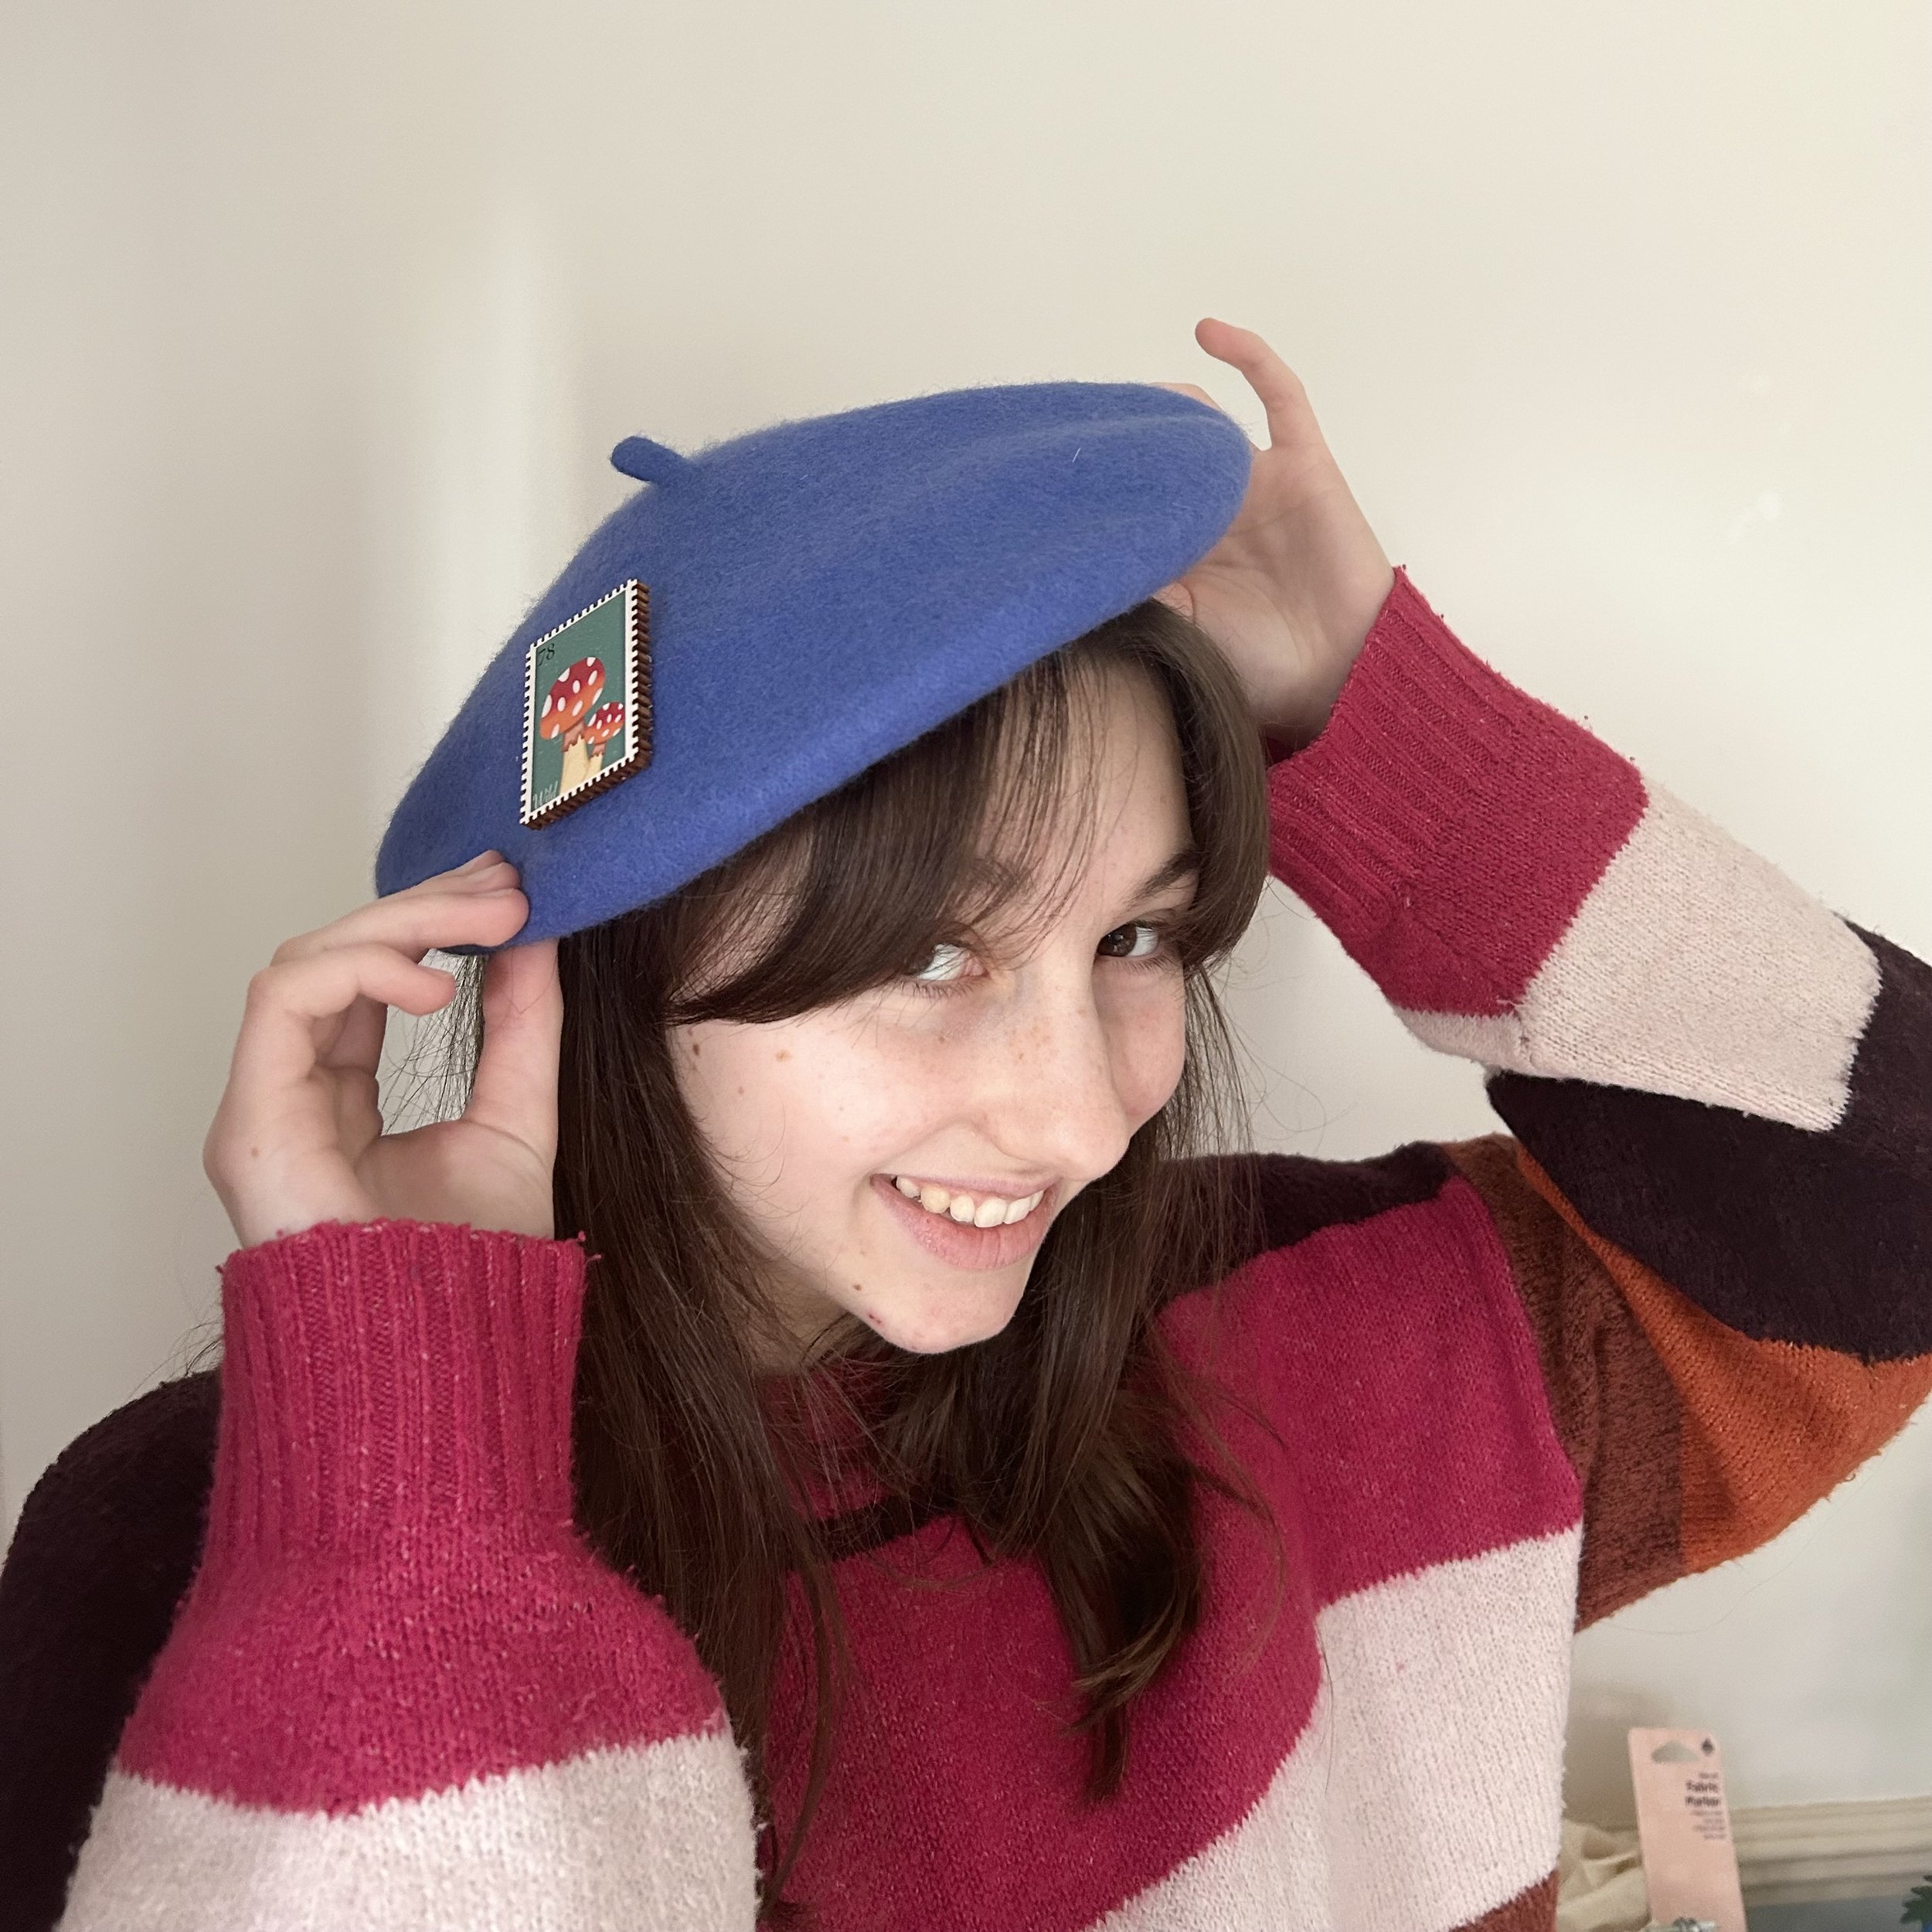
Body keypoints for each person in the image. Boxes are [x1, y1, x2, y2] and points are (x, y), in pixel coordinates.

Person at [2, 321, 1928, 1932]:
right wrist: (405, 1429)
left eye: (1139, 935)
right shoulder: (207, 1538)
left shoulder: (1339, 1331)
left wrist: (1387, 721)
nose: (1081, 1111)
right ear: (593, 976)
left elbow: (1886, 1209)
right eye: (930, 950)